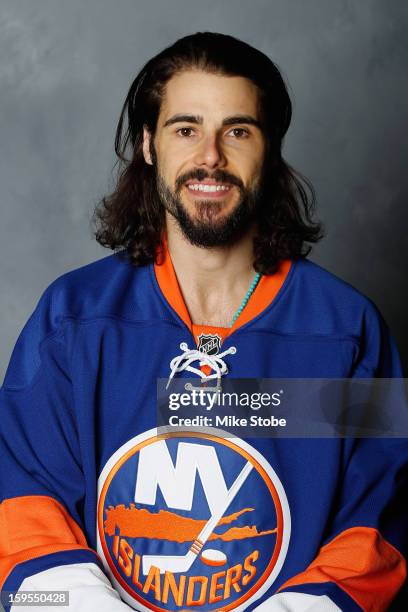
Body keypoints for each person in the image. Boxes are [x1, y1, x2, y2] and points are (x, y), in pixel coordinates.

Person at [0, 32, 406, 612]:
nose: (210, 156)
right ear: (148, 145)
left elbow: (379, 529)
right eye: (185, 129)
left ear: (270, 151)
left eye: (237, 131)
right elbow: (19, 514)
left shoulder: (347, 334)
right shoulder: (74, 321)